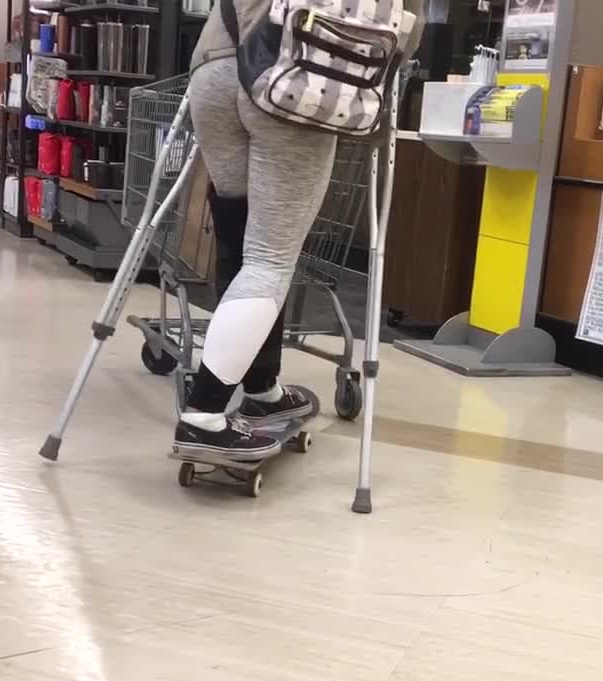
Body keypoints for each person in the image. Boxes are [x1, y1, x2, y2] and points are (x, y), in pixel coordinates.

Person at [172, 0, 422, 460]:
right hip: (292, 79)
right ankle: (203, 416)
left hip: (215, 67)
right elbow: (399, 36)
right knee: (269, 258)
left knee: (241, 237)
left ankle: (262, 388)